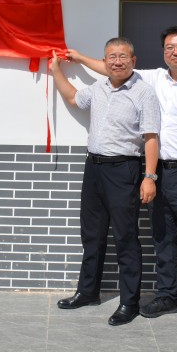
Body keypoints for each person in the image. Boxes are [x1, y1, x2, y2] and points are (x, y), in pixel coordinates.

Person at [67, 25, 177, 335]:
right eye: (169, 47)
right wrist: (78, 57)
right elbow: (113, 67)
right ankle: (167, 296)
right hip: (158, 171)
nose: (175, 52)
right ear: (163, 52)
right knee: (163, 238)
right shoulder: (154, 78)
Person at [51, 37, 160, 327]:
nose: (117, 61)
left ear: (133, 61)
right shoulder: (98, 88)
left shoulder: (144, 92)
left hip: (124, 169)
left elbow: (151, 137)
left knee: (125, 237)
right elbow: (74, 98)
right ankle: (87, 292)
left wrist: (149, 177)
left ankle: (129, 302)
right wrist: (56, 71)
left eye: (123, 56)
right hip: (94, 169)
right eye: (112, 56)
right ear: (105, 61)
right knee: (92, 234)